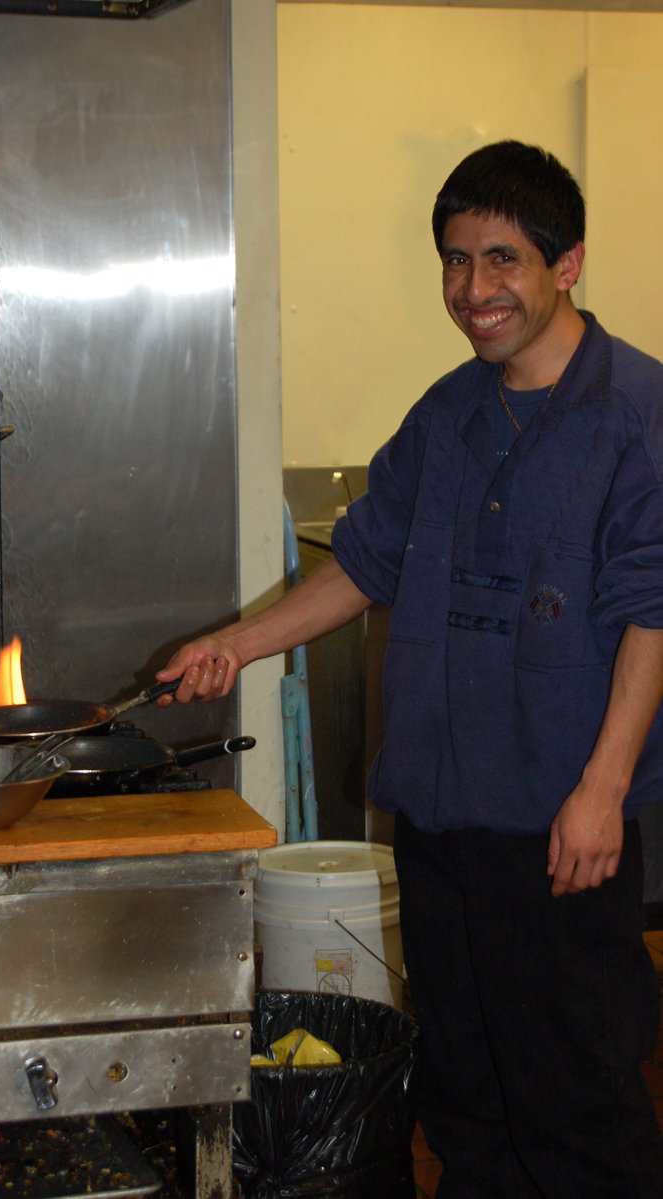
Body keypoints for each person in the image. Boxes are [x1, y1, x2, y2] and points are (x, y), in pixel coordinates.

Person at [155, 141, 663, 1197]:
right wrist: (233, 645)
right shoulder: (447, 415)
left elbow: (650, 617)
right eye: (452, 261)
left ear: (565, 263)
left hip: (561, 828)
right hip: (437, 820)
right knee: (464, 1096)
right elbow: (365, 563)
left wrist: (602, 790)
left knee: (572, 1098)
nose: (471, 290)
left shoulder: (637, 418)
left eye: (499, 260)